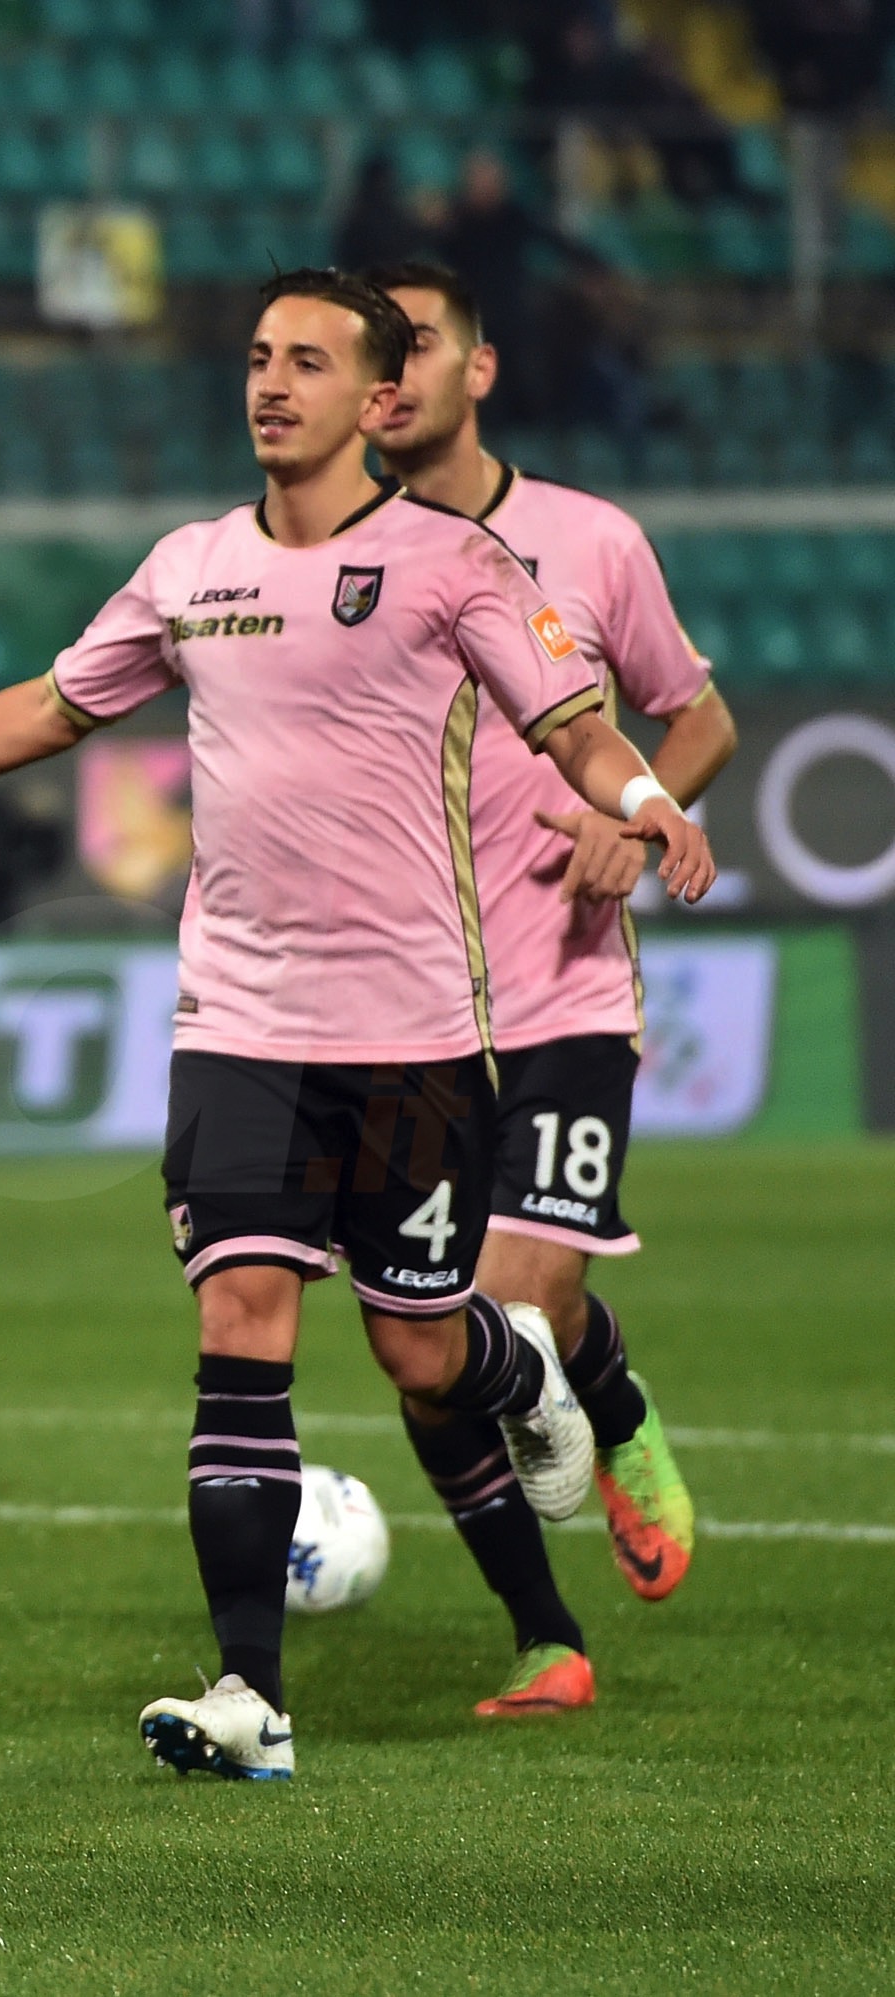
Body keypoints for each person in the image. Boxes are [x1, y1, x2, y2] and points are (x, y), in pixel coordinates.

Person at [0, 269, 719, 1781]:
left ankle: (526, 1379)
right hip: (238, 1021)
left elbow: (572, 721)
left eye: (310, 360)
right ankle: (252, 1690)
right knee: (240, 1333)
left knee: (424, 1352)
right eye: (257, 356)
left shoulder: (451, 563)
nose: (272, 382)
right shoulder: (187, 567)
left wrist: (639, 799)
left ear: (382, 400)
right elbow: (51, 707)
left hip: (420, 1035)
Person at [365, 257, 733, 1711]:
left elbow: (694, 716)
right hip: (400, 1004)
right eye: (370, 354)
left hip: (569, 986)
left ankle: (615, 1418)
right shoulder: (330, 562)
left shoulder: (591, 540)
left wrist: (628, 809)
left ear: (482, 370)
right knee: (424, 1347)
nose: (391, 377)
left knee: (515, 1299)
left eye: (419, 348)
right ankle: (545, 1632)